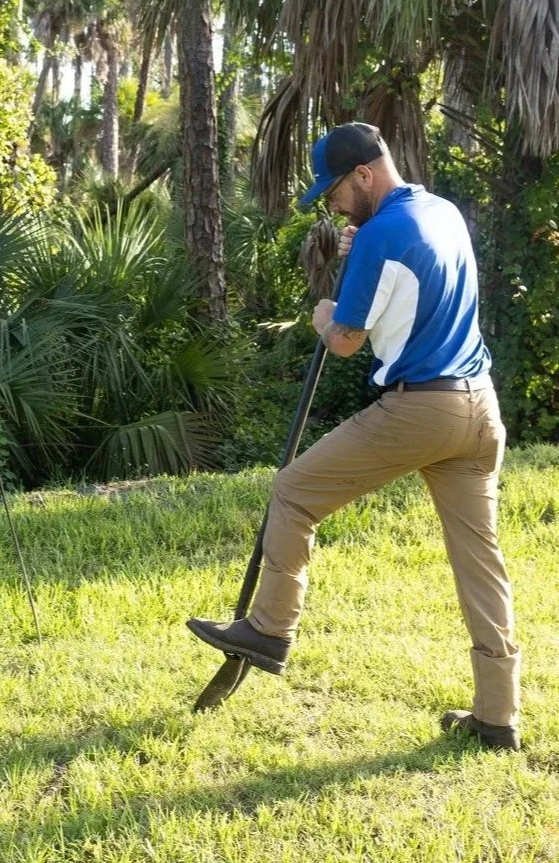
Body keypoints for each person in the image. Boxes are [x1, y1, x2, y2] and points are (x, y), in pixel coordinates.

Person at [188, 123, 521, 751]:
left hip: (422, 409)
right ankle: (498, 717)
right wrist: (361, 249)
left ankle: (268, 629)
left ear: (364, 175)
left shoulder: (381, 234)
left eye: (336, 189)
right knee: (481, 564)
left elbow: (345, 341)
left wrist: (322, 314)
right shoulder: (440, 211)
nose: (333, 202)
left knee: (293, 491)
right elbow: (412, 282)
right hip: (480, 408)